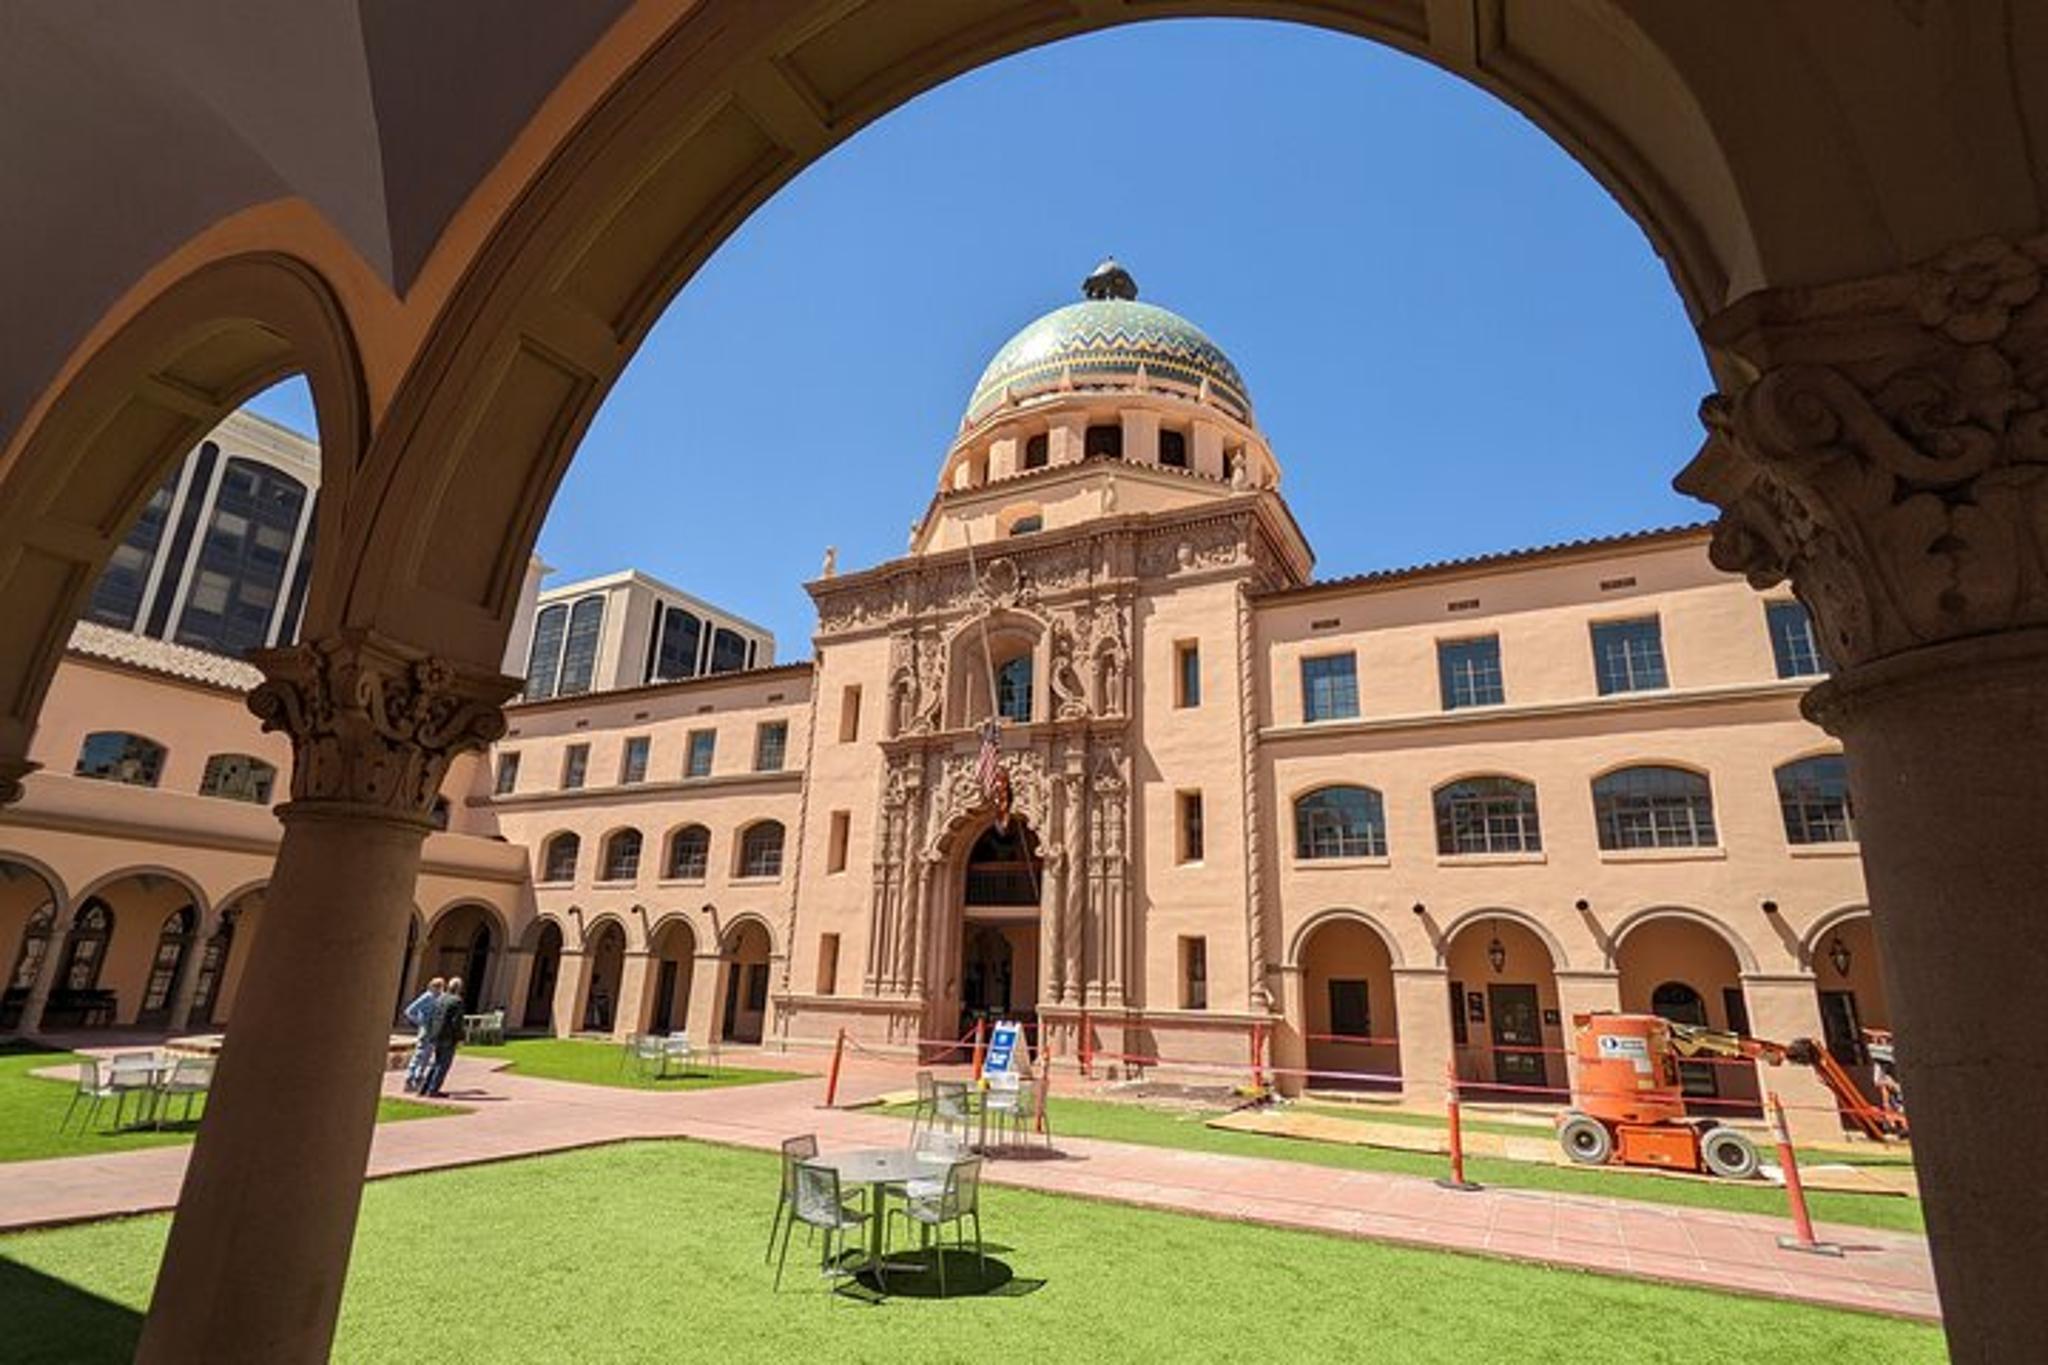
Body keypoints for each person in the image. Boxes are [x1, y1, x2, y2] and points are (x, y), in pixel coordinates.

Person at [419, 977, 468, 1098]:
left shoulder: (440, 999)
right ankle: (433, 1090)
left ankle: (424, 1088)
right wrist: (460, 1038)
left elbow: (432, 1017)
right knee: (443, 1064)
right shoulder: (457, 1001)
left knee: (436, 1063)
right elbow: (456, 1022)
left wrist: (430, 1033)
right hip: (448, 1037)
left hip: (436, 1035)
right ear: (459, 988)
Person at [401, 976, 446, 1093]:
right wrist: (421, 1023)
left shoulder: (439, 998)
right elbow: (409, 1011)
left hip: (433, 1032)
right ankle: (409, 1079)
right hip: (425, 1031)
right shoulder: (427, 997)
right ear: (433, 987)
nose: (441, 989)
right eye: (439, 987)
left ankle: (418, 1078)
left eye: (441, 987)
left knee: (427, 1056)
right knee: (419, 1054)